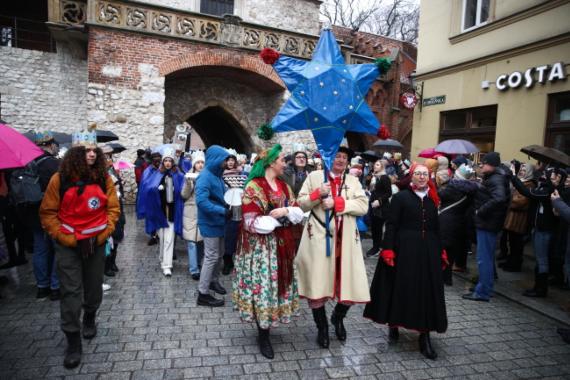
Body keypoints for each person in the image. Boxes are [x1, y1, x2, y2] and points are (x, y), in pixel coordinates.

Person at [39, 127, 120, 369]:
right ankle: (73, 339)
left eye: (94, 151)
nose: (92, 155)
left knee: (94, 288)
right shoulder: (59, 180)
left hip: (96, 242)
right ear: (75, 153)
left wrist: (104, 233)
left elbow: (113, 210)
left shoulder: (103, 178)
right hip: (69, 243)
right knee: (71, 291)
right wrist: (64, 237)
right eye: (86, 151)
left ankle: (90, 317)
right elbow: (48, 213)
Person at [364, 163, 448, 360]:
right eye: (417, 174)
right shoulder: (401, 198)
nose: (421, 177)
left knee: (426, 291)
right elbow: (391, 225)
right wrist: (388, 249)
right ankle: (394, 324)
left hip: (428, 251)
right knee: (400, 287)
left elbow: (436, 228)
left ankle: (424, 336)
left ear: (430, 177)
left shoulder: (432, 200)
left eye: (424, 174)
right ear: (411, 176)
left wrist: (441, 250)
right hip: (404, 250)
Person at [233, 144, 304, 359]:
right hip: (261, 249)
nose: (285, 163)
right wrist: (278, 220)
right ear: (272, 162)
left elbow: (298, 213)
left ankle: (269, 324)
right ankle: (262, 334)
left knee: (275, 287)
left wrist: (285, 211)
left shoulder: (284, 186)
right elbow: (251, 222)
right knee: (263, 287)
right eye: (282, 160)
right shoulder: (254, 186)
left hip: (281, 246)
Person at [296, 146, 370, 348]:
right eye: (337, 156)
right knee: (317, 284)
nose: (340, 160)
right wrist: (317, 195)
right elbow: (300, 204)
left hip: (346, 242)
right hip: (318, 241)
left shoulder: (353, 181)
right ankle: (322, 328)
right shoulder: (314, 177)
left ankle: (338, 318)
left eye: (344, 157)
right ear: (329, 157)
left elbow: (363, 206)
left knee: (350, 284)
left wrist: (338, 203)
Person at [509, 167, 563, 297]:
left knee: (541, 260)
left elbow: (528, 193)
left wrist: (513, 177)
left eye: (548, 174)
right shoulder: (544, 187)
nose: (544, 175)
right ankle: (538, 287)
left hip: (545, 230)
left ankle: (540, 289)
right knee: (540, 259)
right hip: (538, 228)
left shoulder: (549, 190)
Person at [463, 152, 509, 302]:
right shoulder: (495, 177)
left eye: (484, 162)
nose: (481, 165)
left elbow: (500, 198)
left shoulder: (496, 178)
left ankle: (483, 292)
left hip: (488, 224)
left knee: (484, 259)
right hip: (488, 223)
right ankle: (484, 288)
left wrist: (480, 211)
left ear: (492, 164)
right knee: (486, 258)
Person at [27, 131, 62, 299]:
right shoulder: (54, 164)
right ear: (50, 145)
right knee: (57, 249)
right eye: (55, 145)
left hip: (33, 213)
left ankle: (42, 286)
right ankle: (56, 286)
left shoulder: (28, 163)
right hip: (52, 212)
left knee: (40, 250)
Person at [195, 145, 231, 307]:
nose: (227, 162)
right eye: (224, 159)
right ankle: (202, 293)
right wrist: (222, 211)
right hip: (210, 222)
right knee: (211, 256)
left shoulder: (217, 175)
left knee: (219, 254)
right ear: (216, 159)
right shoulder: (205, 177)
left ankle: (213, 281)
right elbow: (201, 202)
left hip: (219, 221)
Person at [141, 148, 185, 277]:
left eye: (169, 160)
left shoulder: (178, 175)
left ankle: (167, 265)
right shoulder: (157, 174)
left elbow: (183, 192)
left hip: (172, 211)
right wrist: (156, 189)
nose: (167, 163)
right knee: (162, 238)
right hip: (159, 212)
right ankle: (162, 258)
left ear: (173, 162)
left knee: (169, 239)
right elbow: (147, 189)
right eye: (165, 160)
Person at [438, 164, 478, 285]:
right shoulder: (471, 190)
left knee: (441, 250)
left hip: (446, 221)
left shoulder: (452, 187)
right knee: (451, 252)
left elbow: (441, 195)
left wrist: (442, 183)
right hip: (459, 222)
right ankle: (448, 278)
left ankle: (440, 276)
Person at [499, 163, 536, 272]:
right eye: (521, 169)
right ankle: (510, 261)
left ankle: (515, 264)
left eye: (524, 170)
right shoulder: (521, 181)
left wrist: (509, 200)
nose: (521, 171)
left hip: (520, 219)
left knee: (517, 244)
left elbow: (521, 202)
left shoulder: (530, 184)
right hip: (512, 218)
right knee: (512, 242)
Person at [222, 149, 248, 275]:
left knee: (238, 234)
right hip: (226, 207)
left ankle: (239, 260)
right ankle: (227, 260)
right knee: (228, 235)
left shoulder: (242, 174)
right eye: (228, 160)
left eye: (232, 160)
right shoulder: (221, 175)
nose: (230, 162)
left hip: (239, 207)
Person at [101, 145, 126, 277]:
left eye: (110, 155)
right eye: (106, 155)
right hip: (107, 207)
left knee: (117, 235)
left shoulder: (113, 170)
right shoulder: (101, 172)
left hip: (117, 205)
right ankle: (107, 265)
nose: (109, 158)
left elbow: (118, 187)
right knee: (108, 238)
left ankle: (113, 261)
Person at [181, 150, 205, 281]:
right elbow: (184, 195)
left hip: (203, 212)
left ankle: (200, 263)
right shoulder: (188, 176)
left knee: (201, 241)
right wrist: (188, 183)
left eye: (202, 162)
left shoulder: (207, 176)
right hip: (190, 212)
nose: (200, 165)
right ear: (194, 164)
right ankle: (193, 269)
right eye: (198, 163)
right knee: (191, 242)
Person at [366, 160, 392, 257]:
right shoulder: (375, 177)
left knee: (377, 228)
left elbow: (389, 193)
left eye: (377, 165)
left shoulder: (384, 178)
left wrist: (379, 201)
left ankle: (376, 248)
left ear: (382, 166)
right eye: (375, 164)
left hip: (381, 207)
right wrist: (370, 177)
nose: (375, 166)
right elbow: (368, 185)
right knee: (374, 227)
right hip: (373, 205)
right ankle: (376, 246)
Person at [137, 151, 162, 246]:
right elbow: (145, 184)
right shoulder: (148, 171)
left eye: (159, 160)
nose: (157, 162)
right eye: (155, 160)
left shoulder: (162, 170)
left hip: (160, 197)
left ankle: (159, 234)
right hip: (151, 198)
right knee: (151, 217)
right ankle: (153, 235)